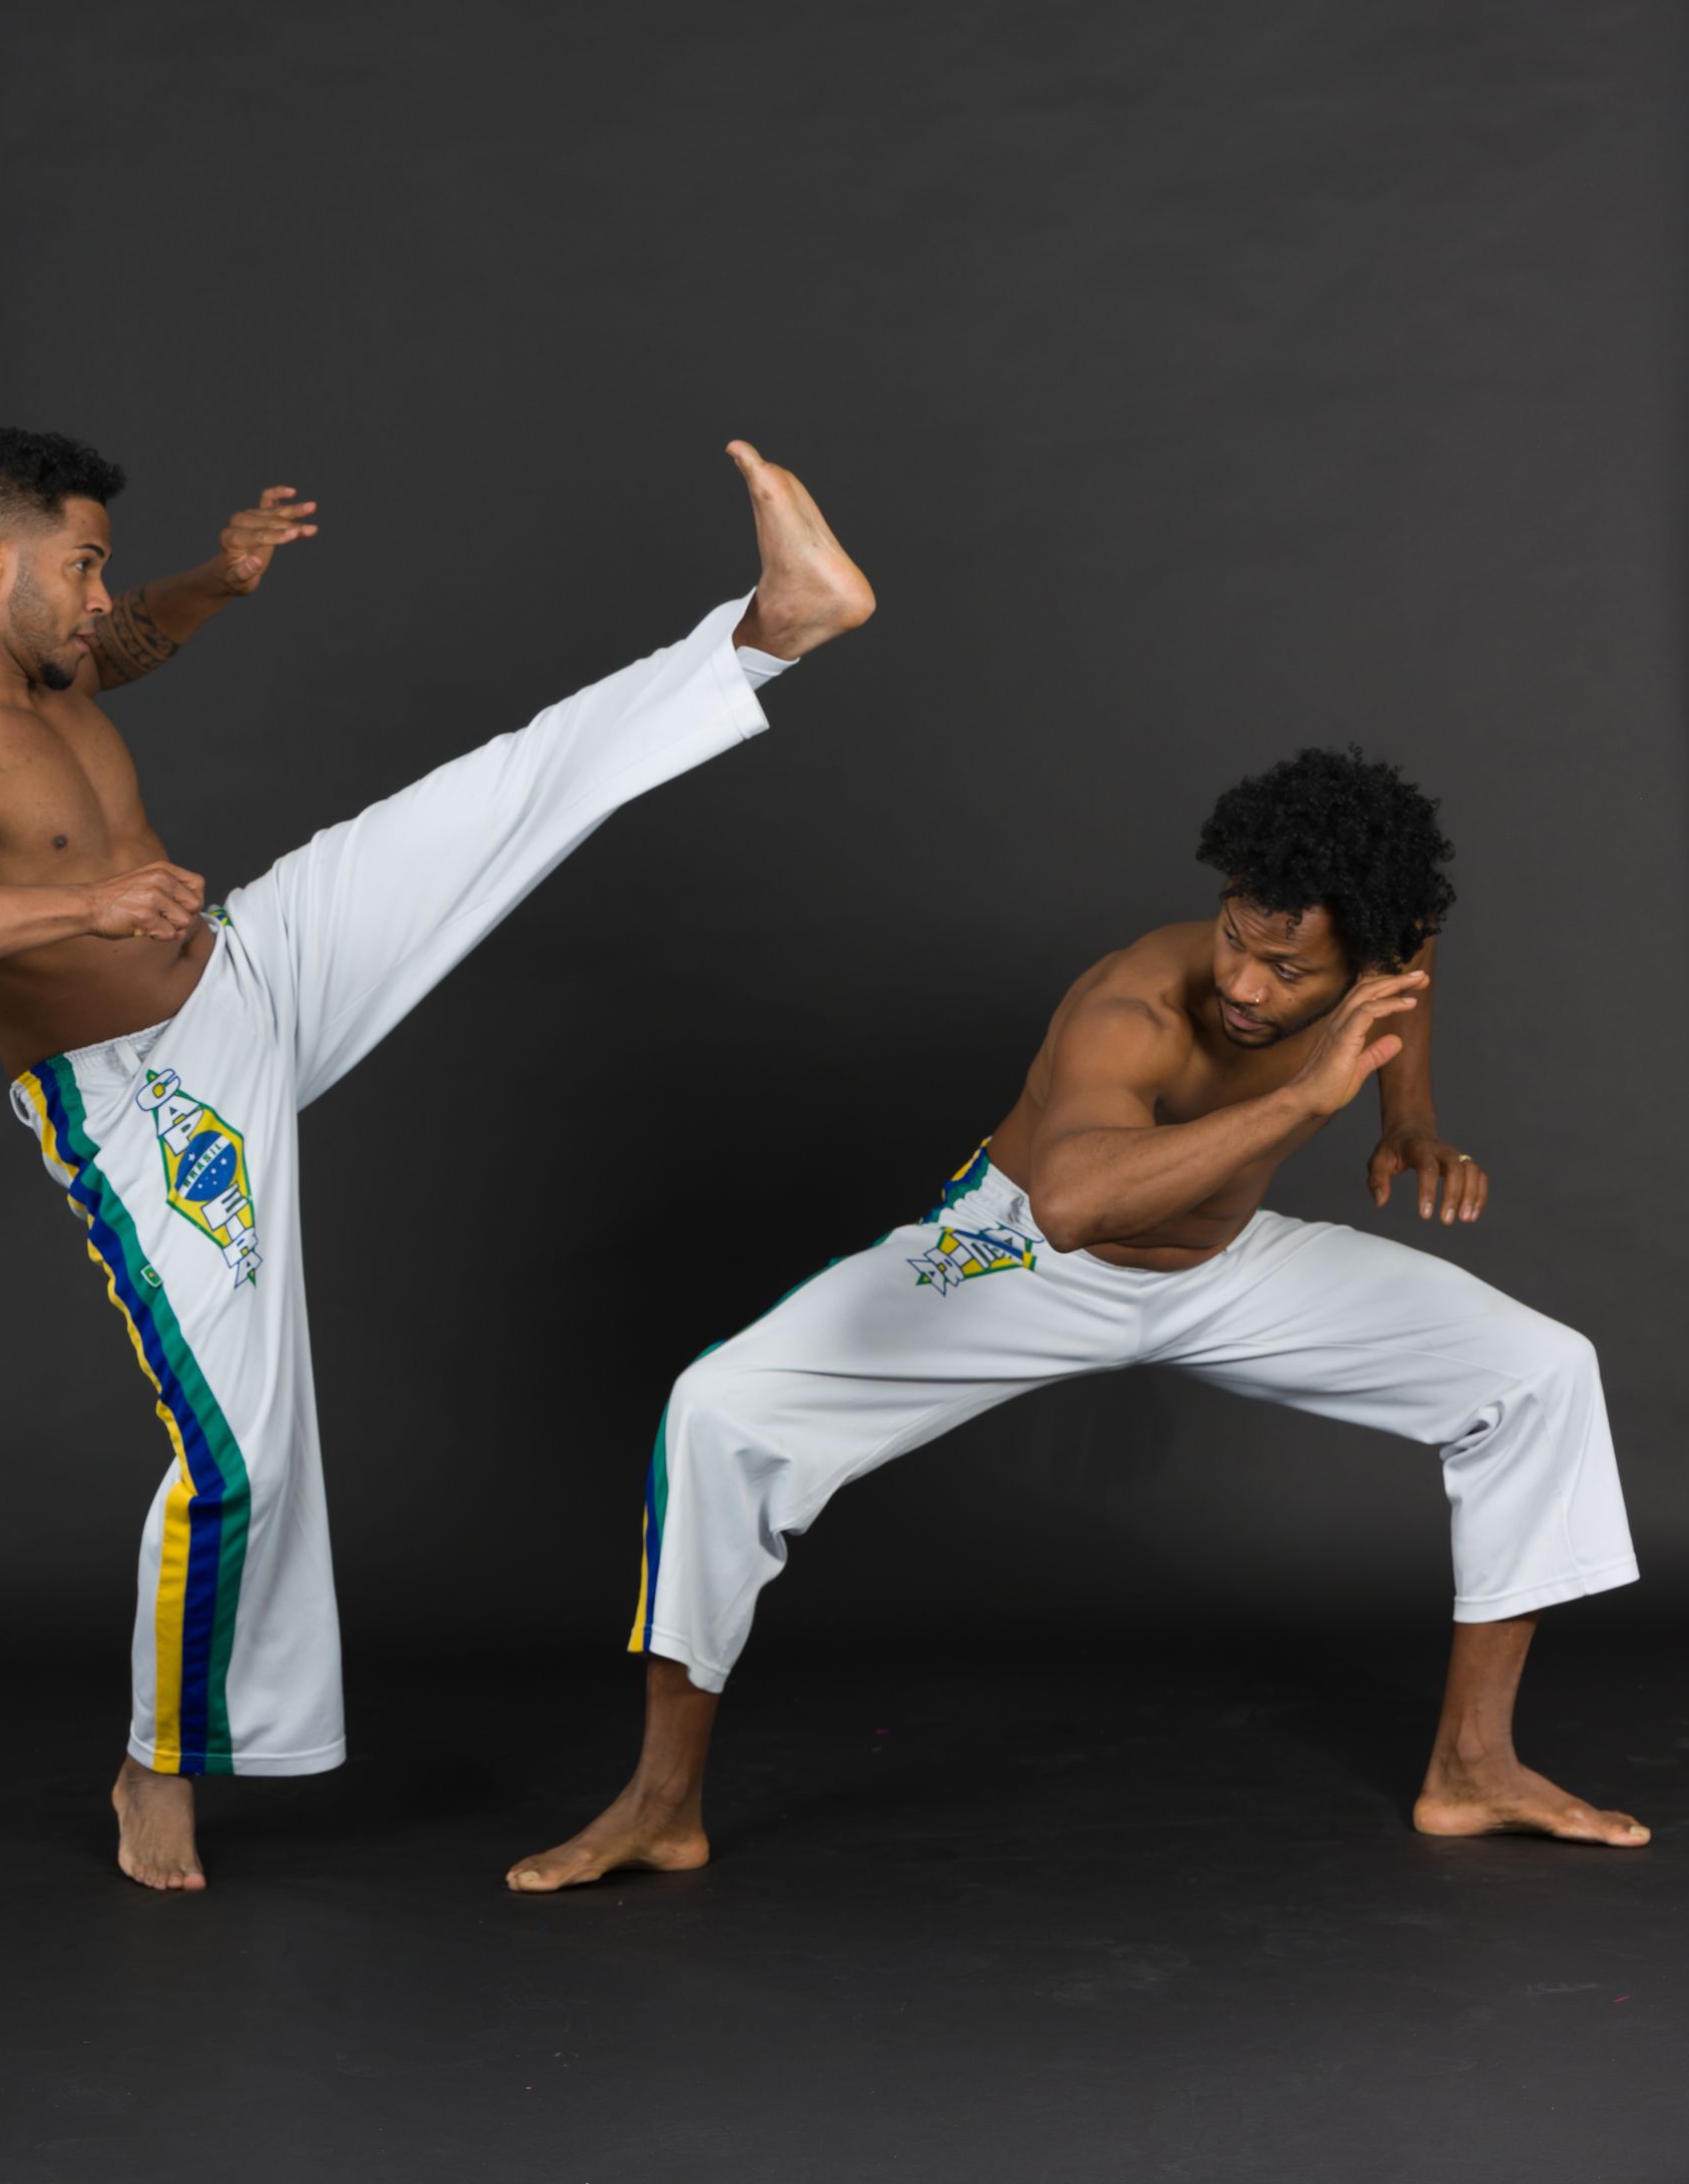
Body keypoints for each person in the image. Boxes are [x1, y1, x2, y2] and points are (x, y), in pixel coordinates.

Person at [0, 426, 875, 1890]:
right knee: (238, 1455)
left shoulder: (53, 668)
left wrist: (213, 582)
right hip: (151, 1102)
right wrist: (80, 912)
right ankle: (155, 1759)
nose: (98, 594)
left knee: (499, 795)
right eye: (82, 565)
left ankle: (770, 631)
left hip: (245, 970)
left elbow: (121, 656)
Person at [507, 746, 1648, 1891]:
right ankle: (661, 1805)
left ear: (1365, 955)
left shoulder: (1382, 944)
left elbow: (1416, 954)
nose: (1247, 986)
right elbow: (1071, 1204)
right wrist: (1310, 1097)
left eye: (1289, 969)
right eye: (1236, 939)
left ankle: (1473, 1768)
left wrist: (1409, 1117)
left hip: (1223, 1271)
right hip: (1014, 1251)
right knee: (719, 1409)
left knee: (1541, 1372)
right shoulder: (1135, 1003)